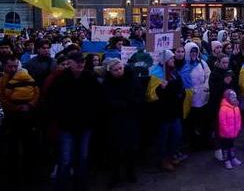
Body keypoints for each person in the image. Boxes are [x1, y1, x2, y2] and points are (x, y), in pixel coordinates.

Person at [46, 52, 104, 191]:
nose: (80, 63)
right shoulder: (60, 80)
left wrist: (92, 118)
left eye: (82, 61)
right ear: (70, 62)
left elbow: (99, 100)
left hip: (85, 126)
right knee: (66, 159)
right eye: (77, 61)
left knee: (83, 158)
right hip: (66, 126)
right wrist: (60, 117)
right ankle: (62, 186)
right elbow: (52, 101)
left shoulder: (90, 78)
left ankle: (81, 186)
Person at [0, 55, 39, 187]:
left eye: (15, 66)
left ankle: (29, 176)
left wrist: (30, 105)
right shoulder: (2, 81)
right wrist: (15, 107)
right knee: (12, 149)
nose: (13, 68)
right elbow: (3, 99)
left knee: (29, 148)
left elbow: (36, 92)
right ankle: (13, 178)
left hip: (28, 118)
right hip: (11, 118)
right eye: (10, 66)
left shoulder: (26, 76)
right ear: (4, 66)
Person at [102, 58, 142, 187]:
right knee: (115, 149)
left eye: (120, 68)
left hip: (130, 118)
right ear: (110, 71)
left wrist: (132, 104)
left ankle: (130, 172)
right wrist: (119, 105)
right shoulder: (107, 82)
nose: (119, 71)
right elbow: (105, 100)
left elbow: (139, 94)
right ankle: (115, 175)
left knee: (131, 148)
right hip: (114, 120)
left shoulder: (132, 78)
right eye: (116, 70)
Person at [147, 50, 186, 171]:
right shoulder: (156, 73)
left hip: (175, 110)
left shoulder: (174, 72)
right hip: (163, 112)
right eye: (171, 59)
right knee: (163, 137)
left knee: (176, 134)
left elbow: (180, 86)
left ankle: (171, 155)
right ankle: (163, 160)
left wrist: (180, 94)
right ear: (164, 61)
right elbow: (152, 95)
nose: (173, 60)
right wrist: (161, 88)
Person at [184, 42, 211, 150]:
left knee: (201, 120)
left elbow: (208, 75)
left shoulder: (202, 63)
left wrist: (206, 85)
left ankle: (202, 142)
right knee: (191, 121)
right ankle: (192, 143)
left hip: (202, 96)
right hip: (190, 96)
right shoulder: (183, 65)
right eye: (191, 52)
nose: (194, 54)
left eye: (195, 51)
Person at [217, 89, 242, 169]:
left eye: (235, 97)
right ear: (227, 98)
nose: (234, 99)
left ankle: (232, 158)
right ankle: (226, 160)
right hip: (225, 133)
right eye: (232, 97)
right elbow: (222, 121)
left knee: (232, 146)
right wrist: (226, 131)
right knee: (225, 147)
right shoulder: (223, 108)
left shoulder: (236, 107)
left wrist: (238, 127)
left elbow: (239, 119)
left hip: (233, 132)